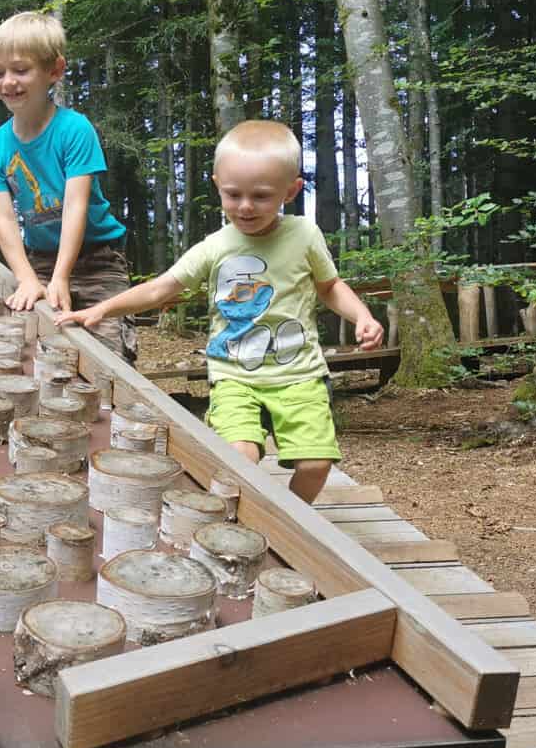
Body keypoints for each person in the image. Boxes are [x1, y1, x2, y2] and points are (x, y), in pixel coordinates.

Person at [56, 120, 384, 503]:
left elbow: (329, 286)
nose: (245, 206)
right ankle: (248, 518)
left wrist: (362, 316)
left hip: (299, 374)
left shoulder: (304, 236)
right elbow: (162, 288)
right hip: (234, 376)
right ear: (218, 186)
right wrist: (102, 309)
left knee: (315, 464)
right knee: (239, 459)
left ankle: (292, 516)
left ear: (291, 191)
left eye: (260, 196)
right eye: (233, 194)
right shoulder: (215, 246)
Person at [0, 11, 137, 362]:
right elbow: (4, 219)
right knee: (29, 349)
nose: (8, 82)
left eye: (21, 70)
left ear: (54, 70)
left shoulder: (74, 130)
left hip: (97, 259)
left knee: (108, 355)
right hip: (38, 260)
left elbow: (75, 206)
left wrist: (62, 276)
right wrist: (26, 278)